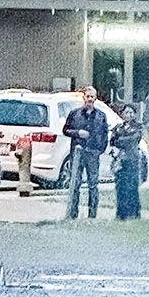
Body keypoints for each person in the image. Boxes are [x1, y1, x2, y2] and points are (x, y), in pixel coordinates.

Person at [62, 86, 109, 220]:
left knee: (93, 185)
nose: (89, 99)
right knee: (75, 183)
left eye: (92, 97)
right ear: (84, 98)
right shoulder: (74, 114)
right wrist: (78, 133)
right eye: (87, 96)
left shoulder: (101, 116)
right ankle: (72, 214)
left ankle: (92, 215)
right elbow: (65, 130)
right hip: (77, 154)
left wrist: (100, 150)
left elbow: (105, 134)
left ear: (95, 98)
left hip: (93, 154)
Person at [111, 105, 143, 221]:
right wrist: (120, 140)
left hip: (132, 160)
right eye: (126, 112)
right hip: (120, 161)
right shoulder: (118, 127)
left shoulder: (138, 127)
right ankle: (121, 213)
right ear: (122, 114)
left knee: (132, 187)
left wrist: (120, 140)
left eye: (131, 113)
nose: (129, 115)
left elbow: (133, 139)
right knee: (120, 187)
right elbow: (113, 141)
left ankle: (134, 213)